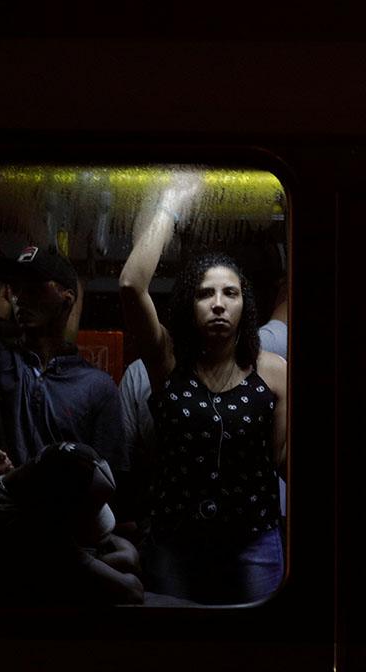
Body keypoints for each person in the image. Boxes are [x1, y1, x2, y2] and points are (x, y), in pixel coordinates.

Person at [118, 174, 287, 604]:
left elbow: (284, 465)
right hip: (175, 542)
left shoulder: (274, 373)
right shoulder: (167, 361)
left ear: (244, 304)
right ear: (188, 305)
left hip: (252, 541)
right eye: (204, 293)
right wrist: (170, 204)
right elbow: (131, 285)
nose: (217, 302)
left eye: (230, 293)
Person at [0, 205, 124, 471]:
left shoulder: (97, 387)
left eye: (34, 288)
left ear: (66, 298)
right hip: (4, 511)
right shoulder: (0, 362)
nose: (20, 298)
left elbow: (110, 476)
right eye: (16, 288)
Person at [0, 427, 144, 605]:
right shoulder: (16, 523)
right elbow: (131, 587)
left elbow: (126, 561)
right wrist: (84, 561)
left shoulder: (9, 491)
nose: (1, 454)